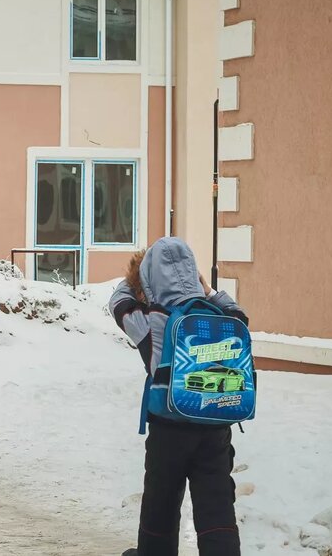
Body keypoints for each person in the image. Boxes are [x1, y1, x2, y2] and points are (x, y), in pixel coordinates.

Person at [110, 238, 247, 556]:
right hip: (214, 425)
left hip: (168, 429)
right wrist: (207, 290)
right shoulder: (222, 317)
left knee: (161, 501)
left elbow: (118, 301)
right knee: (216, 507)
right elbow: (239, 313)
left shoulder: (151, 322)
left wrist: (139, 281)